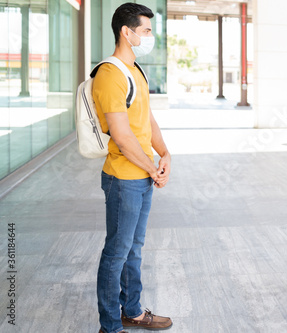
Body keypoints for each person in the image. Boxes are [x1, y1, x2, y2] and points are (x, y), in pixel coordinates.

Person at [92, 3, 172, 332]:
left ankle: (133, 310)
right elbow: (123, 138)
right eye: (146, 30)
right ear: (127, 32)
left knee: (133, 249)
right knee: (117, 253)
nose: (151, 36)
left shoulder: (135, 70)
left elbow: (146, 118)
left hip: (141, 177)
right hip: (124, 179)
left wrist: (164, 153)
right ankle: (110, 325)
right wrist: (153, 169)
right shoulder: (110, 74)